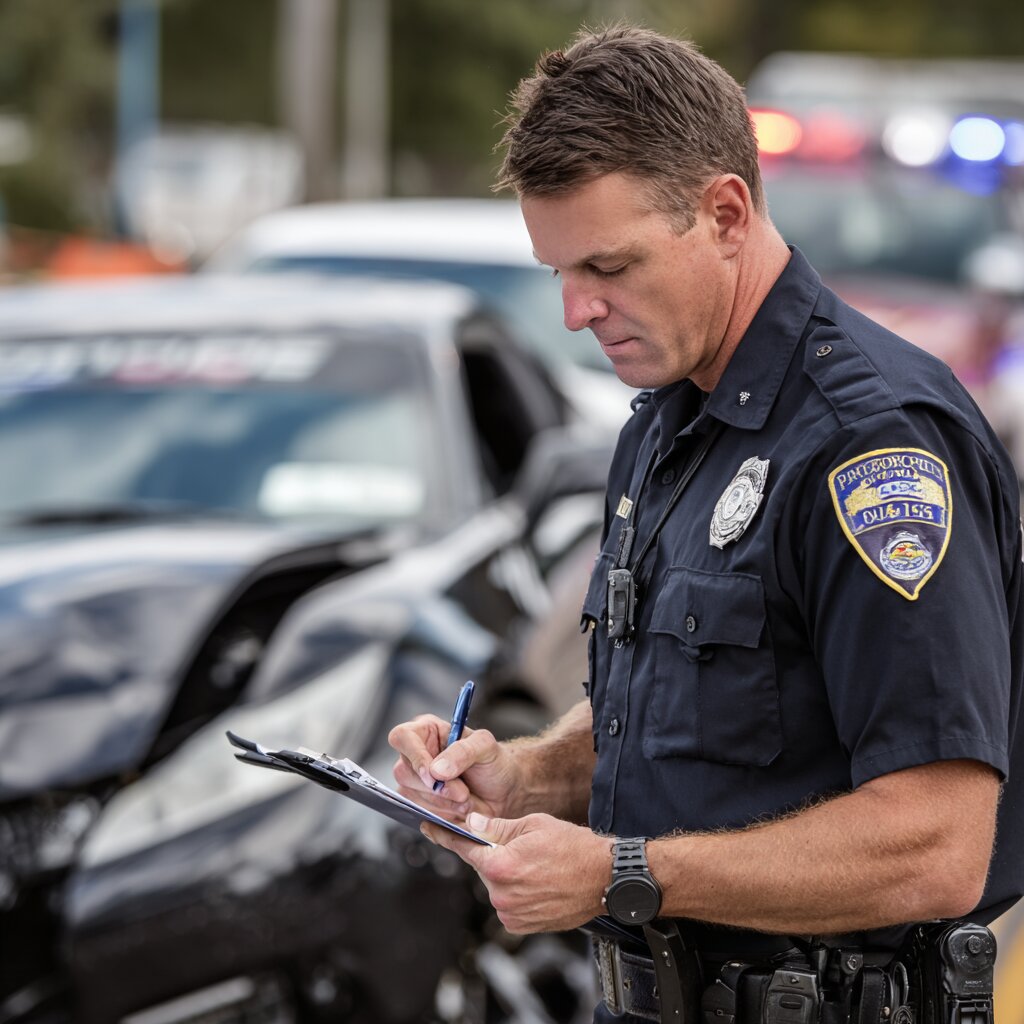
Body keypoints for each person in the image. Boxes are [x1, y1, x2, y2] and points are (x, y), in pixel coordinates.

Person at [389, 24, 1024, 1024]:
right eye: (558, 270)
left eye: (607, 264)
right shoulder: (669, 419)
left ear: (725, 212)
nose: (575, 310)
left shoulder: (872, 447)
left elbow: (934, 843)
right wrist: (523, 777)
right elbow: (685, 729)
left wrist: (621, 872)